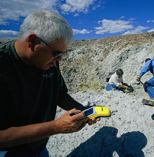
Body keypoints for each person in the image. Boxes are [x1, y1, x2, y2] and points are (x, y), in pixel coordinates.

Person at [0, 10, 99, 156]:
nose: (59, 60)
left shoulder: (49, 61)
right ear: (32, 41)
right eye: (57, 53)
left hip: (39, 147)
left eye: (62, 54)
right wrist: (55, 127)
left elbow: (59, 94)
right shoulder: (3, 66)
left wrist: (81, 110)